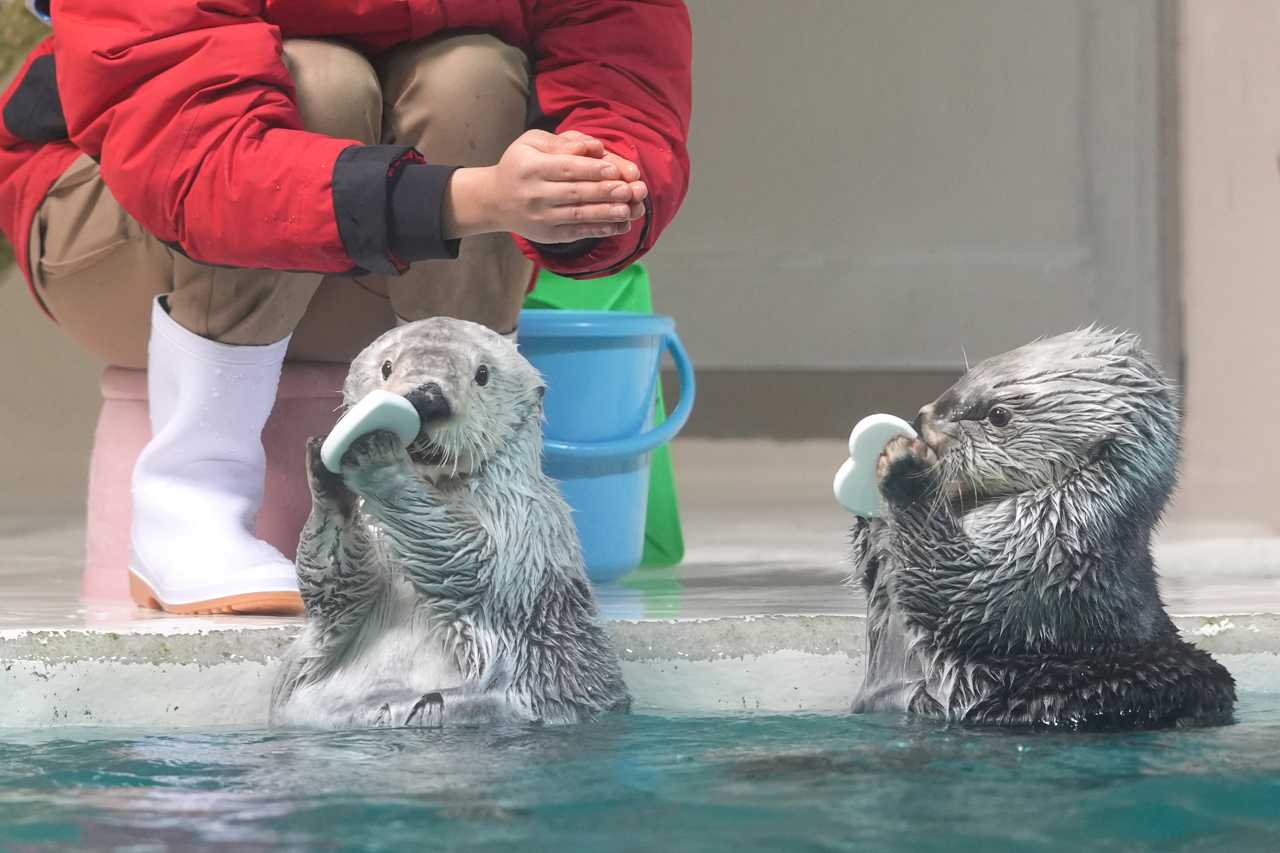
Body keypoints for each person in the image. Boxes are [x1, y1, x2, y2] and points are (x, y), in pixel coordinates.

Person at [0, 0, 692, 615]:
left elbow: (621, 63)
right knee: (319, 83)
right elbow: (199, 155)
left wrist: (590, 188)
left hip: (386, 233)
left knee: (474, 77)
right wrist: (479, 198)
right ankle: (192, 493)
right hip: (139, 221)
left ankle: (467, 494)